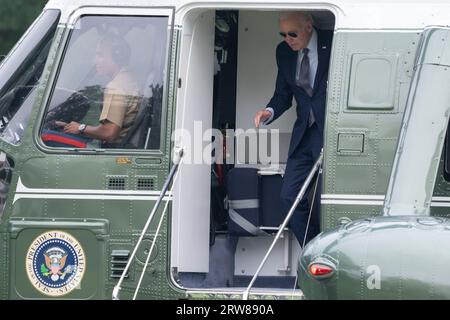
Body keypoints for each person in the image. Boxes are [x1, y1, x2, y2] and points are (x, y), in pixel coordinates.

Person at [254, 11, 332, 246]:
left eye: (292, 33)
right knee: (289, 197)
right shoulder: (284, 52)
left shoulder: (335, 41)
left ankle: (327, 251)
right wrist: (268, 112)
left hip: (330, 133)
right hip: (304, 135)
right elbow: (282, 96)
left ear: (309, 26)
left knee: (325, 201)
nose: (287, 39)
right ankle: (313, 249)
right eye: (283, 34)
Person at [56, 34, 141, 147]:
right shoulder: (130, 79)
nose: (95, 60)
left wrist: (80, 128)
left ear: (117, 58)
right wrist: (74, 127)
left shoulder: (115, 87)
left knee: (48, 136)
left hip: (112, 149)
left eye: (100, 55)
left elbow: (109, 132)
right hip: (125, 146)